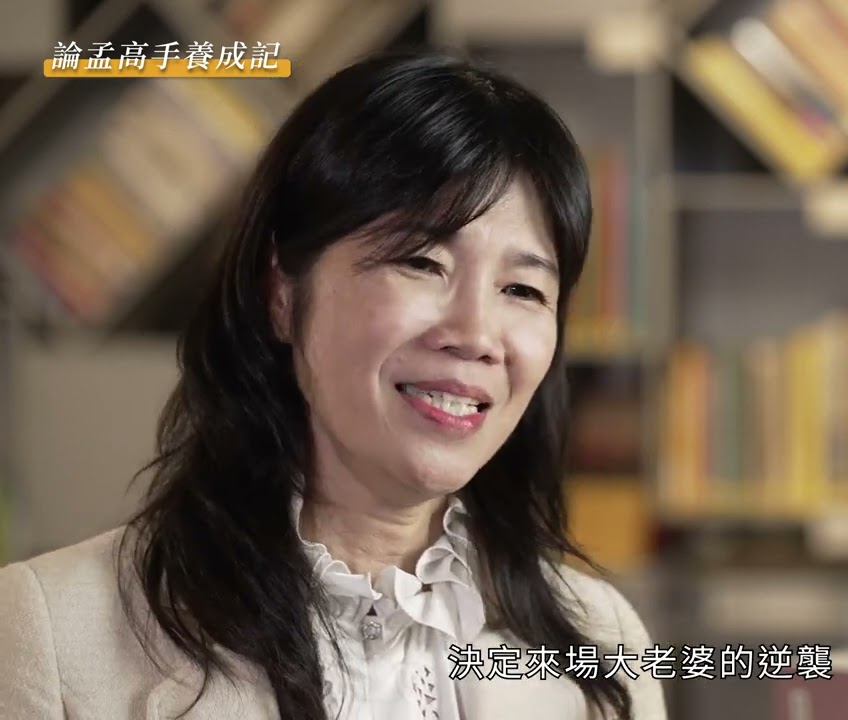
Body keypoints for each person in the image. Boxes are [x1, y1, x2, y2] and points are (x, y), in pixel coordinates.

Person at [0, 50, 666, 720]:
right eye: (421, 261)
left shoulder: (604, 644)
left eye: (522, 289)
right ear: (282, 294)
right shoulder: (47, 634)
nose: (475, 333)